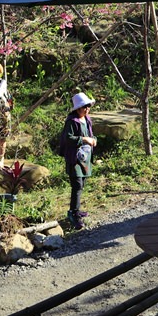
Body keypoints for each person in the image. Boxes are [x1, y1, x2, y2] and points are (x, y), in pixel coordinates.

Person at [62, 91, 98, 230]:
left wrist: (94, 140)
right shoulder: (71, 122)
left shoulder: (87, 119)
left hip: (85, 158)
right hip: (74, 159)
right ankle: (73, 214)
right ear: (78, 108)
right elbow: (68, 138)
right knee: (77, 185)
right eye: (84, 107)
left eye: (88, 106)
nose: (87, 109)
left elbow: (91, 134)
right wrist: (83, 139)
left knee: (81, 184)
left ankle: (76, 209)